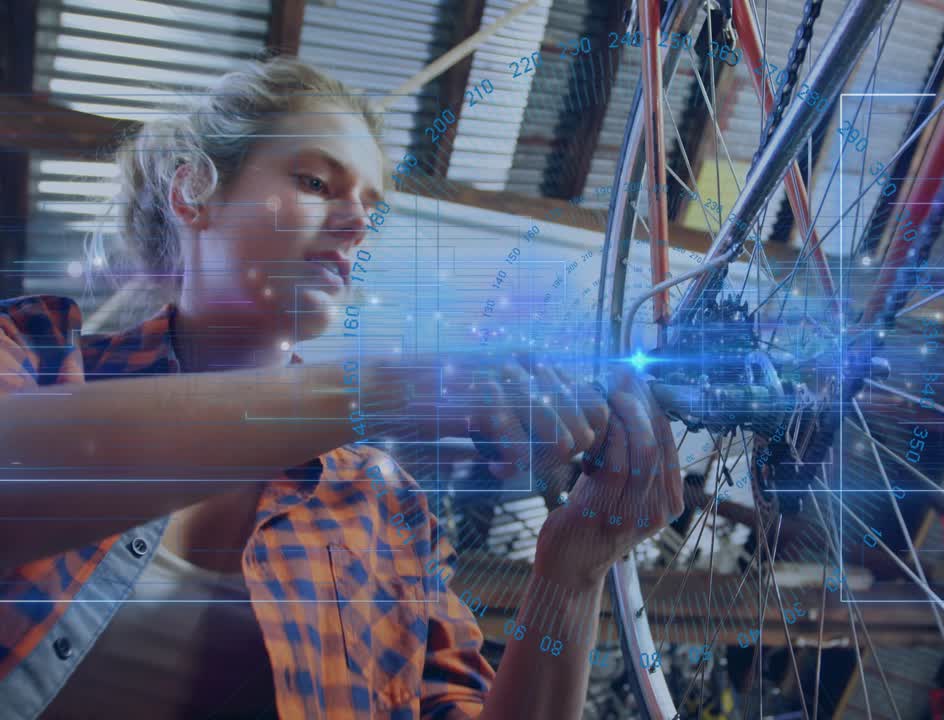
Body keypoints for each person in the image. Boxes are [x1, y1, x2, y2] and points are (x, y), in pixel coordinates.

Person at [0, 57, 682, 720]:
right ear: (192, 195)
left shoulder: (387, 512)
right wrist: (392, 387)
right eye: (317, 183)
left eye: (370, 207)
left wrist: (570, 576)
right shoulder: (38, 351)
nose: (358, 224)